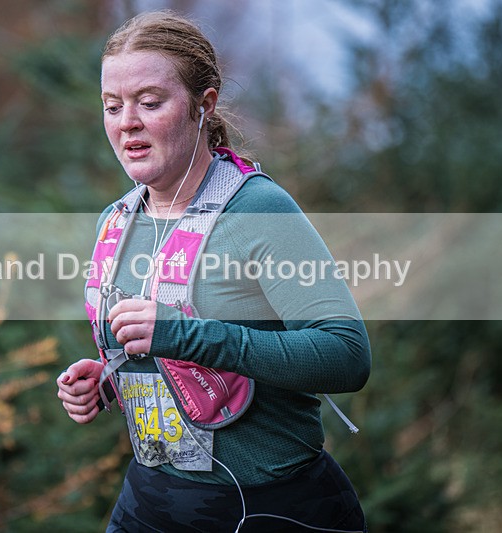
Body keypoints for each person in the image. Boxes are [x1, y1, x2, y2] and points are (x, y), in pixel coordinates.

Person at [56, 10, 371, 532]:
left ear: (204, 105)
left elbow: (347, 355)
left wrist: (186, 336)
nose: (127, 121)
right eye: (112, 106)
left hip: (269, 507)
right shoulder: (115, 222)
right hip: (149, 500)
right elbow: (173, 351)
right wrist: (110, 377)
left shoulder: (258, 210)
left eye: (150, 103)